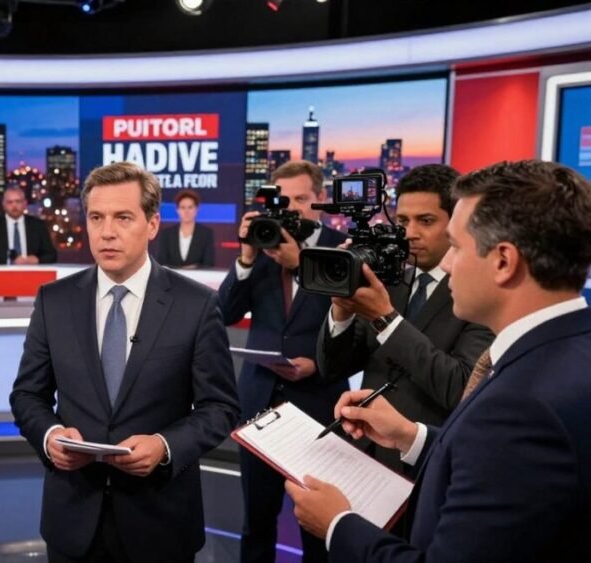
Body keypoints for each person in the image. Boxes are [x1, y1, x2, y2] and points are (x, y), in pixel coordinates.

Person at [287, 160, 591, 563]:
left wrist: (339, 525)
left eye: (458, 246)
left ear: (503, 260)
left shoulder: (519, 408)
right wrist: (410, 436)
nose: (448, 263)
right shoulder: (569, 350)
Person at [10, 161, 239, 563]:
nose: (107, 232)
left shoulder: (197, 305)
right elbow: (28, 395)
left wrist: (164, 446)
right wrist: (51, 437)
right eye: (96, 217)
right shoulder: (53, 301)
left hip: (161, 521)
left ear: (151, 225)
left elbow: (219, 407)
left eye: (123, 217)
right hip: (73, 519)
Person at [315, 164, 493, 471]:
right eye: (402, 220)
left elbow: (460, 388)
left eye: (426, 221)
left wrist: (385, 318)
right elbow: (332, 368)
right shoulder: (389, 282)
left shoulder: (480, 295)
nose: (410, 233)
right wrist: (341, 312)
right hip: (362, 453)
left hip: (427, 461)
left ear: (457, 224)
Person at [217, 160, 349, 563]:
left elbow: (358, 325)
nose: (291, 206)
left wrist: (297, 263)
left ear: (319, 200)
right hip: (259, 403)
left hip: (318, 403)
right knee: (257, 520)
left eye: (301, 198)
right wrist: (245, 255)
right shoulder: (262, 242)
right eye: (282, 199)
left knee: (317, 526)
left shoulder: (341, 245)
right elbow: (222, 312)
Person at [0, 186, 57, 265]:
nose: (14, 206)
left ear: (25, 203)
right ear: (3, 204)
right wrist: (8, 261)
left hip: (32, 273)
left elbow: (52, 255)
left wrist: (37, 260)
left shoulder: (38, 225)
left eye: (18, 201)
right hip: (3, 275)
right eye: (10, 202)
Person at [156, 189, 215, 268]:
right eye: (183, 207)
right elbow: (161, 263)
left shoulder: (206, 234)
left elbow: (209, 264)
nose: (186, 211)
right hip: (171, 279)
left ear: (197, 209)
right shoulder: (166, 234)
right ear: (177, 210)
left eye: (190, 207)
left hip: (196, 279)